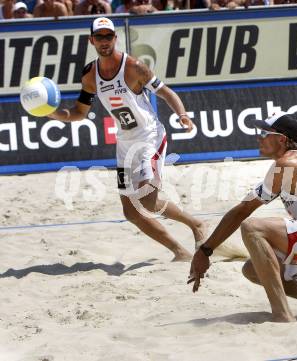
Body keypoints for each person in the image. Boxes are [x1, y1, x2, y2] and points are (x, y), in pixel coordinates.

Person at [49, 17, 206, 261]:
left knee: (148, 201)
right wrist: (53, 113)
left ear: (115, 38)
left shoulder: (133, 66)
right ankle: (180, 250)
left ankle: (196, 225)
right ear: (92, 40)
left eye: (108, 36)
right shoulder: (90, 75)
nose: (104, 41)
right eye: (99, 36)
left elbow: (166, 93)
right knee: (131, 212)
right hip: (124, 145)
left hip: (149, 138)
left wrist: (183, 115)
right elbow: (79, 113)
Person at [188, 112, 297, 322]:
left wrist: (205, 251)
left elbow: (243, 212)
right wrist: (206, 250)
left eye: (263, 133)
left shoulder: (288, 164)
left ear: (281, 139)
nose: (257, 137)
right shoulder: (295, 163)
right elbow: (241, 209)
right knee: (254, 270)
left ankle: (282, 314)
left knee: (253, 227)